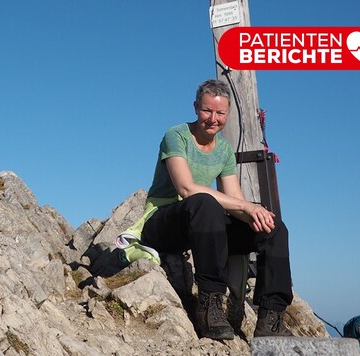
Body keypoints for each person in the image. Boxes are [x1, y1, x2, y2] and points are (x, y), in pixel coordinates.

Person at [123, 79, 293, 340]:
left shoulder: (224, 149)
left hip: (203, 223)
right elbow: (186, 188)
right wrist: (245, 205)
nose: (213, 119)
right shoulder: (176, 136)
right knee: (204, 202)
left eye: (220, 113)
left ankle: (270, 319)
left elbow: (234, 201)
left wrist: (255, 213)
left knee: (274, 227)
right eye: (207, 111)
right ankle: (210, 306)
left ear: (227, 114)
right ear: (195, 107)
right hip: (164, 222)